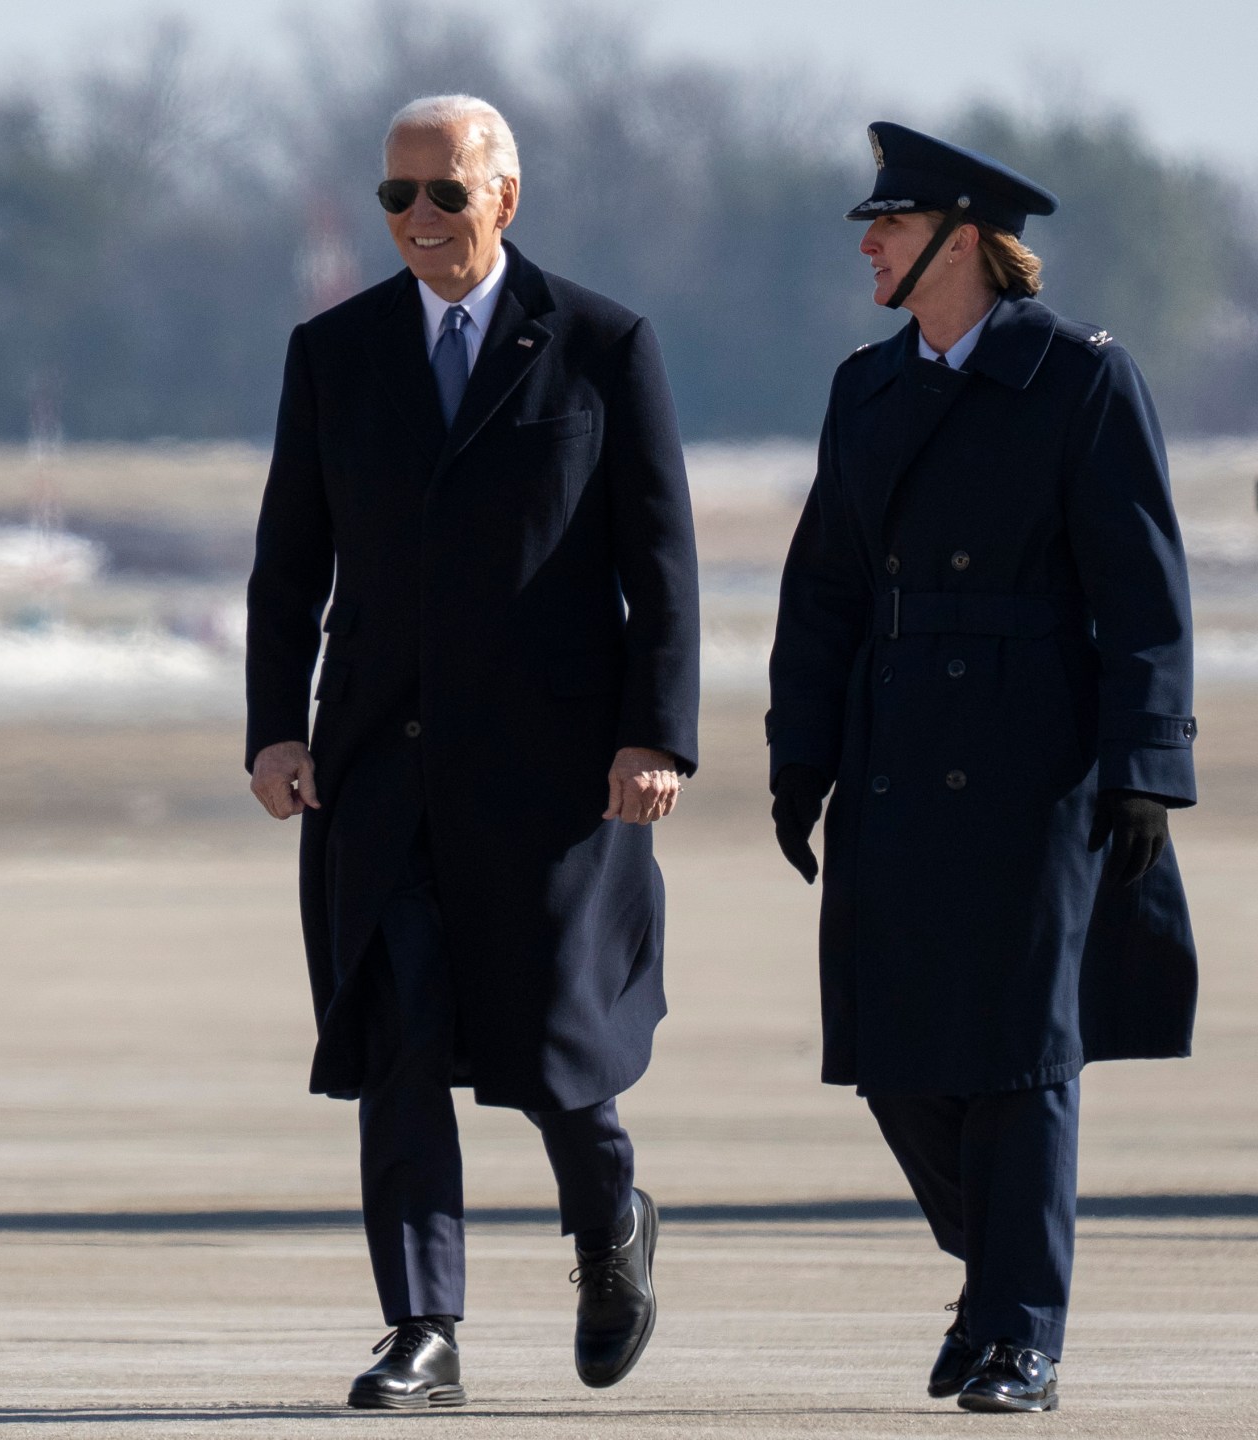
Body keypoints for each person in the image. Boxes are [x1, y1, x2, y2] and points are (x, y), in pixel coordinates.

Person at [244, 95, 698, 1409]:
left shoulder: (603, 345)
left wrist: (655, 732)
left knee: (552, 1041)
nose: (418, 221)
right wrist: (277, 724)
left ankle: (609, 1224)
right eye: (396, 198)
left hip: (555, 773)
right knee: (399, 1037)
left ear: (505, 195)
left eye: (442, 193)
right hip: (380, 763)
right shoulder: (334, 352)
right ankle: (422, 1328)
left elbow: (659, 564)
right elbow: (289, 563)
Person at [768, 122, 1198, 1415]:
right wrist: (801, 763)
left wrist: (1146, 768)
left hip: (1038, 769)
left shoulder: (1082, 383)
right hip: (896, 758)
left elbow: (1145, 597)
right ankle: (1003, 1270)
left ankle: (1019, 1332)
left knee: (1022, 1058)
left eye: (889, 226)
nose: (868, 243)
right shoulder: (866, 387)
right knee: (897, 1058)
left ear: (964, 240)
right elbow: (824, 593)